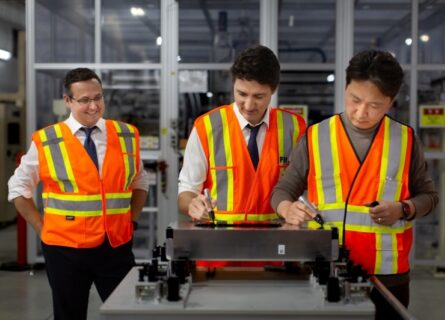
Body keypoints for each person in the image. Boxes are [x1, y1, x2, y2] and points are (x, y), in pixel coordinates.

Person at [271, 50, 438, 319]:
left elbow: (429, 197)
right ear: (345, 88)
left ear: (390, 102)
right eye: (355, 99)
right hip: (326, 268)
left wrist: (403, 209)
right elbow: (282, 191)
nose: (361, 112)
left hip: (387, 275)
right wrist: (287, 208)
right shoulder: (316, 136)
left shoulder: (406, 140)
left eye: (375, 105)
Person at [8, 68, 149, 320]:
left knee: (128, 313)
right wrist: (42, 229)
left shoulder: (127, 135)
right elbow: (18, 189)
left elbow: (140, 181)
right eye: (84, 100)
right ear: (68, 101)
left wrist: (132, 219)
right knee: (69, 316)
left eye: (98, 97)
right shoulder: (47, 140)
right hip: (64, 251)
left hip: (115, 247)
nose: (93, 106)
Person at [178, 45, 306, 266]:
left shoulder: (295, 127)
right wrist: (192, 205)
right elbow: (186, 190)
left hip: (277, 252)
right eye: (241, 94)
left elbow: (305, 187)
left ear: (273, 90)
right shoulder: (206, 127)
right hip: (218, 253)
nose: (248, 105)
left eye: (258, 96)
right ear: (233, 86)